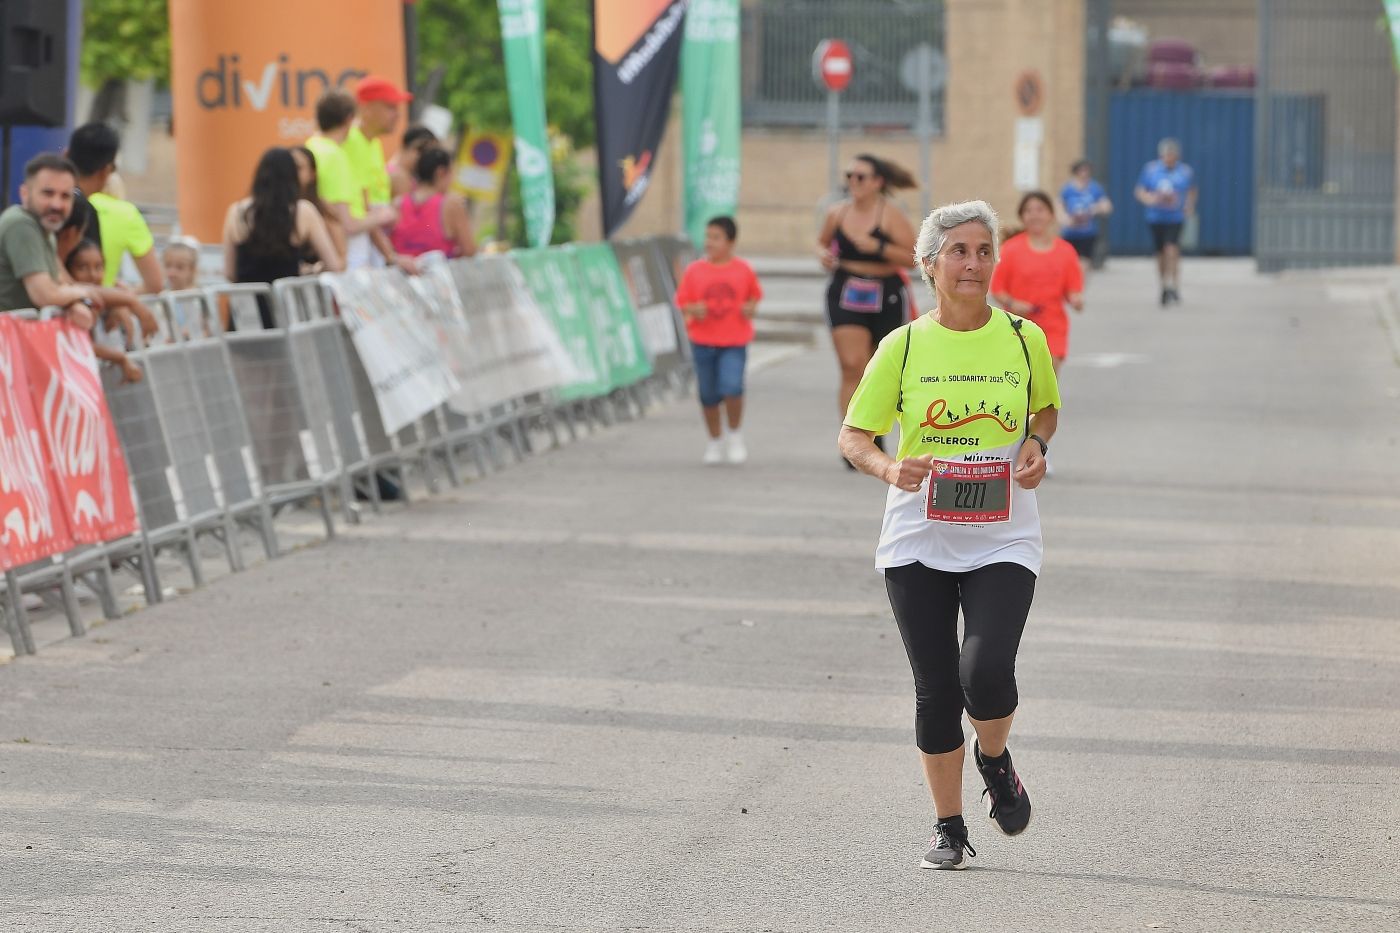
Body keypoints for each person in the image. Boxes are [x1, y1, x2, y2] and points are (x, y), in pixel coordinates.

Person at [837, 199, 1061, 871]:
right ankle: (949, 824)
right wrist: (887, 465)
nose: (972, 263)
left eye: (983, 250)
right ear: (929, 264)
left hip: (1003, 533)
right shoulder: (902, 345)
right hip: (918, 536)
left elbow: (1043, 408)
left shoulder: (1025, 339)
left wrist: (1035, 446)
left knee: (985, 671)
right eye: (958, 251)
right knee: (936, 688)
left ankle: (995, 757)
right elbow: (854, 435)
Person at [816, 154, 918, 465]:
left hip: (885, 292)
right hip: (846, 288)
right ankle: (850, 441)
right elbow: (821, 243)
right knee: (851, 364)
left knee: (880, 369)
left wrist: (880, 248)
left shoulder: (891, 216)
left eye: (861, 177)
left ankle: (875, 434)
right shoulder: (837, 213)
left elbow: (913, 257)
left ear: (878, 183)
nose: (854, 183)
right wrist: (824, 256)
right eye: (850, 176)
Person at [221, 147, 344, 330]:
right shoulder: (303, 212)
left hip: (246, 318)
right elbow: (334, 265)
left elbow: (230, 273)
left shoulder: (236, 212)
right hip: (288, 315)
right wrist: (312, 270)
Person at [673, 216, 763, 465]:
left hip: (734, 340)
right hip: (703, 340)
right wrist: (693, 309)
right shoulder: (695, 270)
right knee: (708, 394)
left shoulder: (742, 269)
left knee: (732, 387)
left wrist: (750, 308)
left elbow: (754, 296)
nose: (709, 242)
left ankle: (734, 434)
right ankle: (714, 440)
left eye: (716, 237)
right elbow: (682, 302)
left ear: (731, 242)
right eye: (708, 237)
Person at [990, 191, 1084, 376]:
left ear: (1051, 214)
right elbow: (997, 289)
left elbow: (1074, 290)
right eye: (1028, 211)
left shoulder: (1066, 251)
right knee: (1023, 385)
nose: (1034, 215)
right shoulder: (1011, 250)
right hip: (1018, 328)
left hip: (1052, 326)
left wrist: (1076, 300)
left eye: (1040, 209)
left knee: (1046, 380)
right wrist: (1013, 303)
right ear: (1022, 216)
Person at [0, 153, 98, 328]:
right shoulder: (21, 224)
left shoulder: (46, 231)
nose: (56, 204)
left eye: (65, 196)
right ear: (24, 193)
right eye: (48, 193)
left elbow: (60, 285)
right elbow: (45, 295)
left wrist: (75, 301)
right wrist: (82, 294)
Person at [304, 89, 397, 273]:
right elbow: (347, 224)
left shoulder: (311, 147)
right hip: (347, 256)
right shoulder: (335, 155)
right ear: (348, 119)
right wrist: (382, 216)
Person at [67, 122, 163, 295]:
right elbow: (155, 283)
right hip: (83, 310)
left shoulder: (52, 207)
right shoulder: (90, 210)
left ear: (66, 155)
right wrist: (122, 299)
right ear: (106, 170)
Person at [344, 75, 419, 273]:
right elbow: (364, 210)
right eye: (390, 107)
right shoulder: (350, 142)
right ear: (366, 108)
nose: (397, 115)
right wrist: (391, 256)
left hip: (371, 246)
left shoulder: (374, 143)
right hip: (356, 246)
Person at [64, 238, 144, 383]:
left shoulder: (110, 306)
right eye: (82, 268)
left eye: (99, 267)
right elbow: (83, 344)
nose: (93, 275)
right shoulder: (71, 308)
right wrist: (120, 358)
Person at [1134, 137, 1197, 306]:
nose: (1168, 158)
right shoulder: (1151, 170)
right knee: (1160, 253)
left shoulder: (1184, 171)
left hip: (1175, 218)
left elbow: (1191, 190)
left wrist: (1188, 206)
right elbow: (1140, 190)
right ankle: (1163, 285)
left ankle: (1175, 285)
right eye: (1166, 155)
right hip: (1155, 217)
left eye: (1172, 154)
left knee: (1172, 249)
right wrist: (1150, 199)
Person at [389, 147, 477, 259]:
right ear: (440, 172)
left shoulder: (398, 203)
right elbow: (469, 249)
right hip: (436, 273)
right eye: (452, 173)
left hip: (400, 273)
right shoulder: (451, 204)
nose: (452, 180)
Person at [291, 145, 348, 266]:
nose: (292, 173)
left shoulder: (324, 209)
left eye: (298, 168)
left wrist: (316, 269)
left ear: (312, 173)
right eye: (288, 168)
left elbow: (341, 259)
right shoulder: (275, 209)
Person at [1058, 160, 1112, 267]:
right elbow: (1059, 206)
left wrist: (1095, 209)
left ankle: (1081, 282)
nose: (1084, 174)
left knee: (1085, 261)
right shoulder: (1067, 189)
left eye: (1086, 171)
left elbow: (1107, 207)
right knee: (1069, 261)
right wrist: (1065, 219)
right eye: (1081, 171)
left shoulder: (1095, 188)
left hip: (1087, 232)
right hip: (1070, 232)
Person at [389, 125, 439, 200]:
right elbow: (405, 209)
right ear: (405, 146)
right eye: (421, 150)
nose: (424, 157)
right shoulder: (400, 176)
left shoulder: (408, 174)